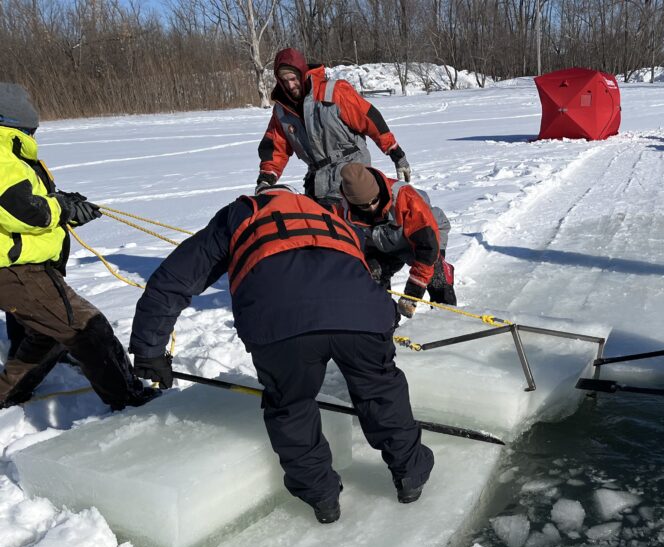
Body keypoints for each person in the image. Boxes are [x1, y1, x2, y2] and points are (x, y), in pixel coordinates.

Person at [129, 185, 434, 524]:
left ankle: (322, 499)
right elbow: (363, 268)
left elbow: (175, 279)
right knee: (380, 388)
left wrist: (149, 350)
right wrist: (384, 314)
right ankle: (411, 475)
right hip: (361, 315)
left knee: (291, 405)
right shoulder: (330, 216)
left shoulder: (241, 214)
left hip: (279, 324)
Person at [0, 82, 157, 411]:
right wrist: (63, 209)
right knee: (87, 328)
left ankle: (9, 391)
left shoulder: (11, 154)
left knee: (49, 333)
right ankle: (130, 402)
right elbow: (25, 211)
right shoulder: (1, 154)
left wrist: (63, 202)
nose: (33, 135)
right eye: (29, 129)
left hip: (25, 268)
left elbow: (30, 202)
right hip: (15, 272)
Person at [255, 48, 411, 201]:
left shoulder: (334, 92)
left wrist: (396, 153)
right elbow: (276, 146)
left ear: (302, 74)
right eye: (284, 81)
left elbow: (370, 119)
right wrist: (266, 177)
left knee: (353, 223)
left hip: (353, 175)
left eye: (293, 78)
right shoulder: (282, 111)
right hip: (319, 180)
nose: (290, 85)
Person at [333, 162, 456, 318]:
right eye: (364, 205)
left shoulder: (406, 198)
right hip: (383, 243)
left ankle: (447, 319)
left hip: (425, 236)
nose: (371, 208)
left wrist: (412, 294)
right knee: (371, 276)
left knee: (436, 274)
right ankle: (386, 324)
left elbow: (427, 248)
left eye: (374, 200)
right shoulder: (343, 211)